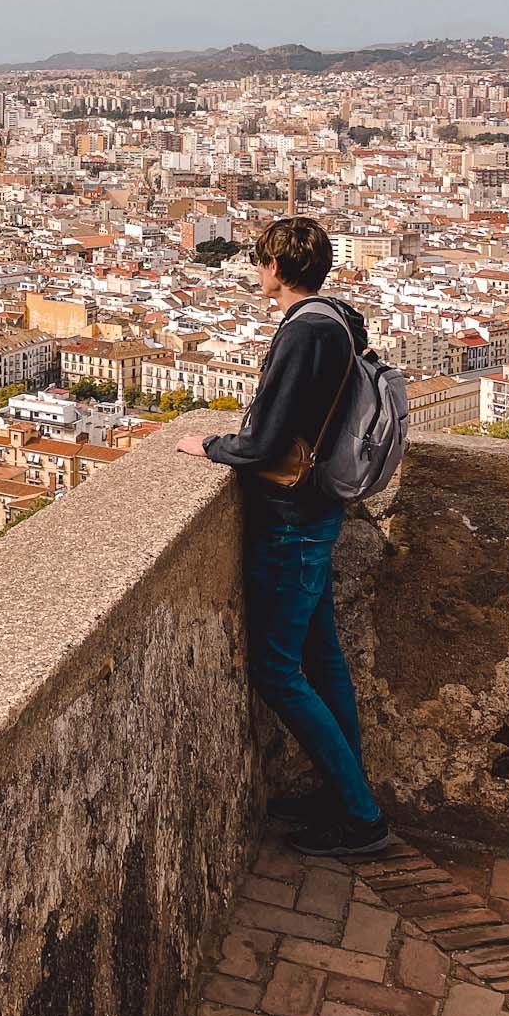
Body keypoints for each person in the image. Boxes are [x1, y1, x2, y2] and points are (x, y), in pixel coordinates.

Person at [175, 215, 391, 857]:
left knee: (275, 668)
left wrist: (210, 444)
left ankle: (361, 817)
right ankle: (342, 790)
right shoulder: (337, 318)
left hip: (292, 517)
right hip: (317, 508)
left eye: (258, 261)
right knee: (322, 659)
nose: (255, 271)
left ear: (273, 267)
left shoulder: (305, 332)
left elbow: (266, 439)